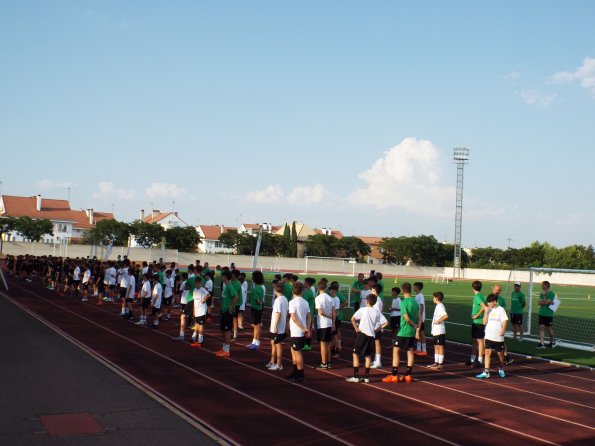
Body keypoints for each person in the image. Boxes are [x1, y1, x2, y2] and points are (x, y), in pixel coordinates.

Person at [383, 282, 420, 383]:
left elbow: (406, 318)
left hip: (403, 331)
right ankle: (408, 375)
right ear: (410, 290)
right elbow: (419, 317)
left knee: (396, 351)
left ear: (402, 291)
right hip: (411, 332)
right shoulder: (415, 302)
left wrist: (413, 325)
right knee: (410, 351)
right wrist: (416, 328)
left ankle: (394, 375)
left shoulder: (403, 303)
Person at [347, 294, 388, 383]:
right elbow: (385, 322)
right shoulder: (377, 312)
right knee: (368, 356)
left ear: (367, 301)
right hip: (371, 336)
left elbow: (352, 318)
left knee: (355, 354)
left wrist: (356, 328)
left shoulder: (363, 309)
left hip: (362, 335)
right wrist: (377, 329)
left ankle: (356, 376)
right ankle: (366, 377)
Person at [476, 294, 508, 379]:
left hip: (498, 336)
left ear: (494, 302)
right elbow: (484, 322)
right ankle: (486, 372)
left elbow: (505, 321)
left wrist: (503, 330)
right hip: (488, 335)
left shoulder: (501, 310)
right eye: (488, 302)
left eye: (490, 302)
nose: (488, 303)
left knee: (500, 354)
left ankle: (501, 368)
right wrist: (486, 312)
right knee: (487, 352)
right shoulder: (488, 310)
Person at [287, 281, 311, 382]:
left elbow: (294, 318)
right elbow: (309, 316)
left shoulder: (292, 302)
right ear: (302, 291)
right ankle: (295, 372)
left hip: (297, 331)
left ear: (293, 290)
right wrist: (307, 327)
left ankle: (300, 374)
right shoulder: (305, 302)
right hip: (298, 331)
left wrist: (303, 328)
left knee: (297, 352)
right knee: (294, 351)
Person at [215, 270, 239, 357]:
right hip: (224, 311)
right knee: (223, 330)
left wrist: (231, 307)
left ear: (225, 277)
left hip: (228, 312)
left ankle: (227, 350)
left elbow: (236, 297)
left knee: (227, 331)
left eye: (222, 276)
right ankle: (224, 348)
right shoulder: (226, 286)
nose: (221, 278)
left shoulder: (229, 286)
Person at [267, 283, 289, 371]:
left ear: (275, 291)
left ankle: (279, 364)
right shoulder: (285, 299)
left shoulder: (277, 300)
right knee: (273, 343)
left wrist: (275, 326)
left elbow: (278, 313)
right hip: (281, 325)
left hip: (277, 327)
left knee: (277, 344)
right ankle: (272, 361)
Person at [465, 280, 486, 368]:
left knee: (480, 341)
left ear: (473, 288)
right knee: (474, 340)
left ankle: (480, 360)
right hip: (475, 322)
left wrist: (477, 315)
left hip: (478, 322)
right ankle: (473, 359)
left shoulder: (478, 296)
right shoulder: (479, 295)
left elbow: (484, 307)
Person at [314, 280, 334, 369]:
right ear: (325, 288)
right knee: (328, 344)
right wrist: (332, 320)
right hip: (329, 324)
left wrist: (329, 316)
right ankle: (328, 362)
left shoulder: (318, 298)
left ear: (318, 288)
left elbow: (320, 312)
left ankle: (323, 363)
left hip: (322, 324)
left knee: (323, 344)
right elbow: (334, 311)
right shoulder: (330, 298)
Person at [492, 284, 513, 364]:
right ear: (493, 289)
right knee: (486, 341)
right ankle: (483, 358)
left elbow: (503, 312)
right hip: (490, 323)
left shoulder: (501, 300)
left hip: (498, 324)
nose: (497, 291)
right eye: (496, 290)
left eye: (499, 290)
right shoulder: (489, 298)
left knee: (501, 341)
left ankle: (506, 358)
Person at [429, 291, 448, 370]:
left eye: (433, 297)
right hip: (436, 331)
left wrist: (439, 321)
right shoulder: (438, 306)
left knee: (440, 346)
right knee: (436, 346)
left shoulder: (440, 306)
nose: (432, 299)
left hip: (439, 330)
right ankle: (436, 362)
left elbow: (446, 316)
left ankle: (440, 364)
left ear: (436, 298)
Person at [248, 270, 266, 350]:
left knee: (257, 326)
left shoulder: (255, 289)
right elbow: (261, 300)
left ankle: (257, 342)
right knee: (256, 325)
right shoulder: (261, 288)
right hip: (258, 308)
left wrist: (259, 302)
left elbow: (258, 301)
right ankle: (254, 341)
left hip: (255, 308)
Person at [190, 277, 210, 346]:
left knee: (201, 325)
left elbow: (208, 295)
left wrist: (203, 300)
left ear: (201, 284)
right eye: (197, 283)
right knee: (197, 324)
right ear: (195, 284)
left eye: (199, 283)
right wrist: (194, 311)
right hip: (196, 310)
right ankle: (197, 338)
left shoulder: (202, 289)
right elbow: (194, 301)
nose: (198, 285)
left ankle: (200, 341)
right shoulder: (194, 290)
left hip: (202, 311)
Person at [537, 281, 558, 349]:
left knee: (549, 329)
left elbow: (546, 302)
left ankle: (552, 341)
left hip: (548, 314)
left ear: (546, 285)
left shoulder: (551, 293)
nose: (541, 286)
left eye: (543, 285)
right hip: (542, 313)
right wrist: (545, 301)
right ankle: (541, 343)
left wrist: (544, 297)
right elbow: (539, 302)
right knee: (541, 327)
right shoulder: (541, 293)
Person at [370, 284, 384, 369]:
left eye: (372, 289)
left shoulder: (376, 301)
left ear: (374, 290)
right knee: (375, 342)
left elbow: (377, 313)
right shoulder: (379, 300)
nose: (371, 291)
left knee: (377, 342)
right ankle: (376, 360)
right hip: (376, 325)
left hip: (377, 325)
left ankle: (378, 361)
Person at [302, 277, 316, 351]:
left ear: (307, 283)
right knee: (308, 328)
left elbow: (302, 301)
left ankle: (307, 344)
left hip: (307, 314)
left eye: (304, 282)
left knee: (308, 329)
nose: (303, 283)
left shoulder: (308, 292)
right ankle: (307, 344)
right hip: (309, 313)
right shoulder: (309, 291)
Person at [413, 282, 427, 356]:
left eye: (414, 286)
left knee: (421, 333)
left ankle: (424, 350)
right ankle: (418, 349)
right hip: (418, 317)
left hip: (420, 318)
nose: (413, 287)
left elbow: (422, 306)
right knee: (417, 332)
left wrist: (420, 317)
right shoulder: (417, 296)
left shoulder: (420, 296)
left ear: (418, 287)